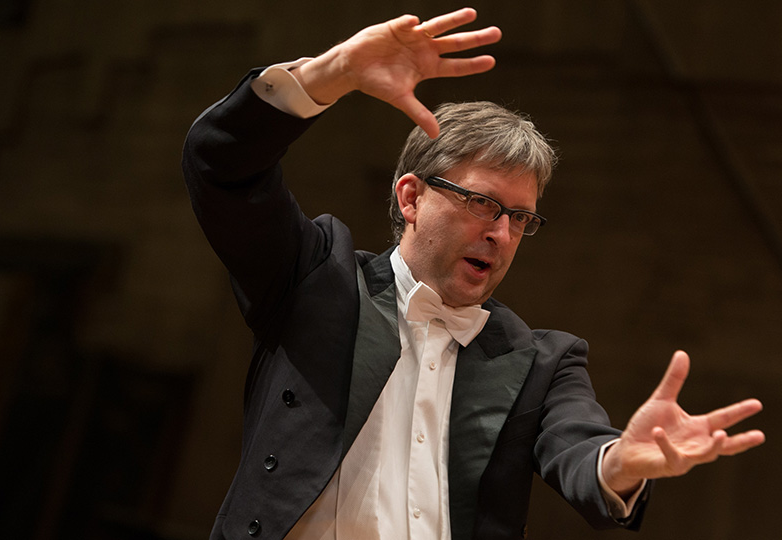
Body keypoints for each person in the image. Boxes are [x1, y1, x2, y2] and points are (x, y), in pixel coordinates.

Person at [181, 8, 765, 540]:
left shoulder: (541, 361)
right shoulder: (318, 282)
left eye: (520, 218)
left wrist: (620, 461)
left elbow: (578, 450)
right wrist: (331, 73)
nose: (502, 234)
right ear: (411, 197)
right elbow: (221, 165)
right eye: (483, 204)